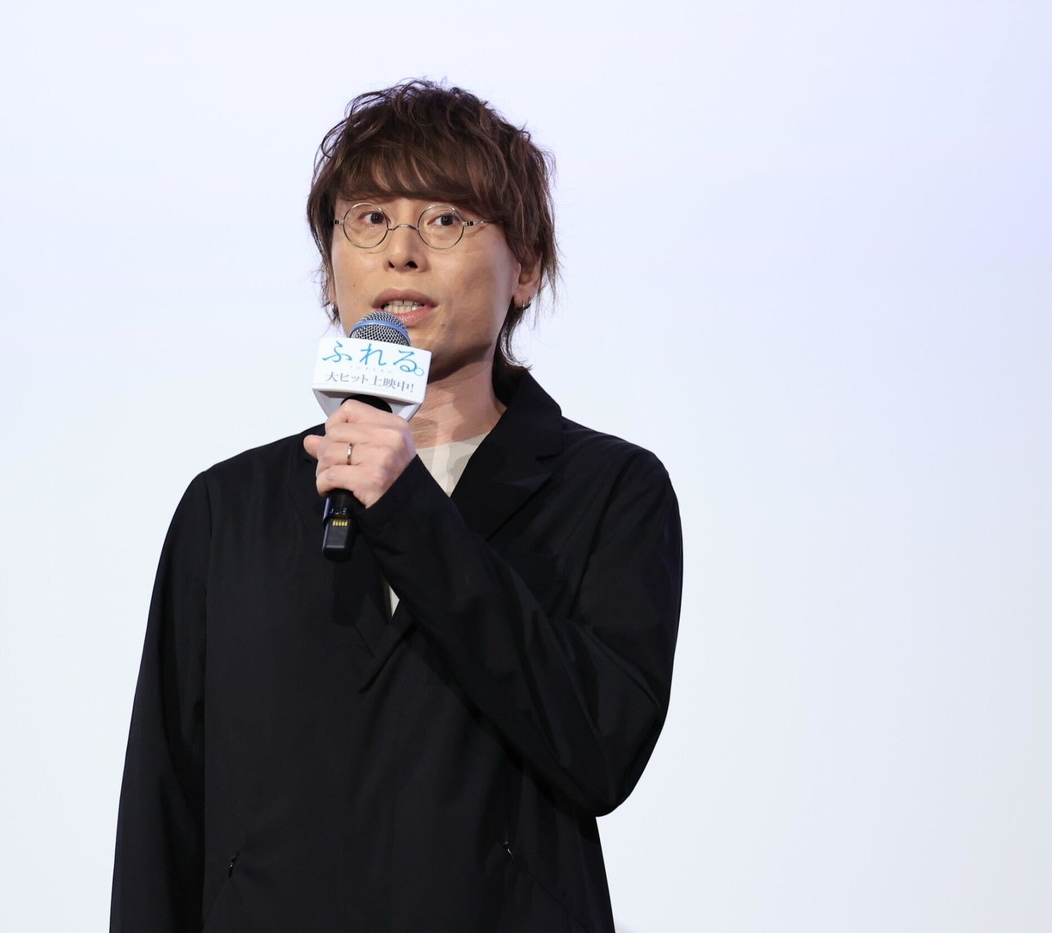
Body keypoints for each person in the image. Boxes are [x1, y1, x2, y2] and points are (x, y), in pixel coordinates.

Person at [111, 80, 683, 932]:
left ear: (526, 267)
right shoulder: (226, 509)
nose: (402, 252)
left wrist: (410, 509)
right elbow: (163, 810)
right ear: (329, 268)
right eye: (371, 219)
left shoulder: (608, 491)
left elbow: (601, 747)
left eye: (447, 219)